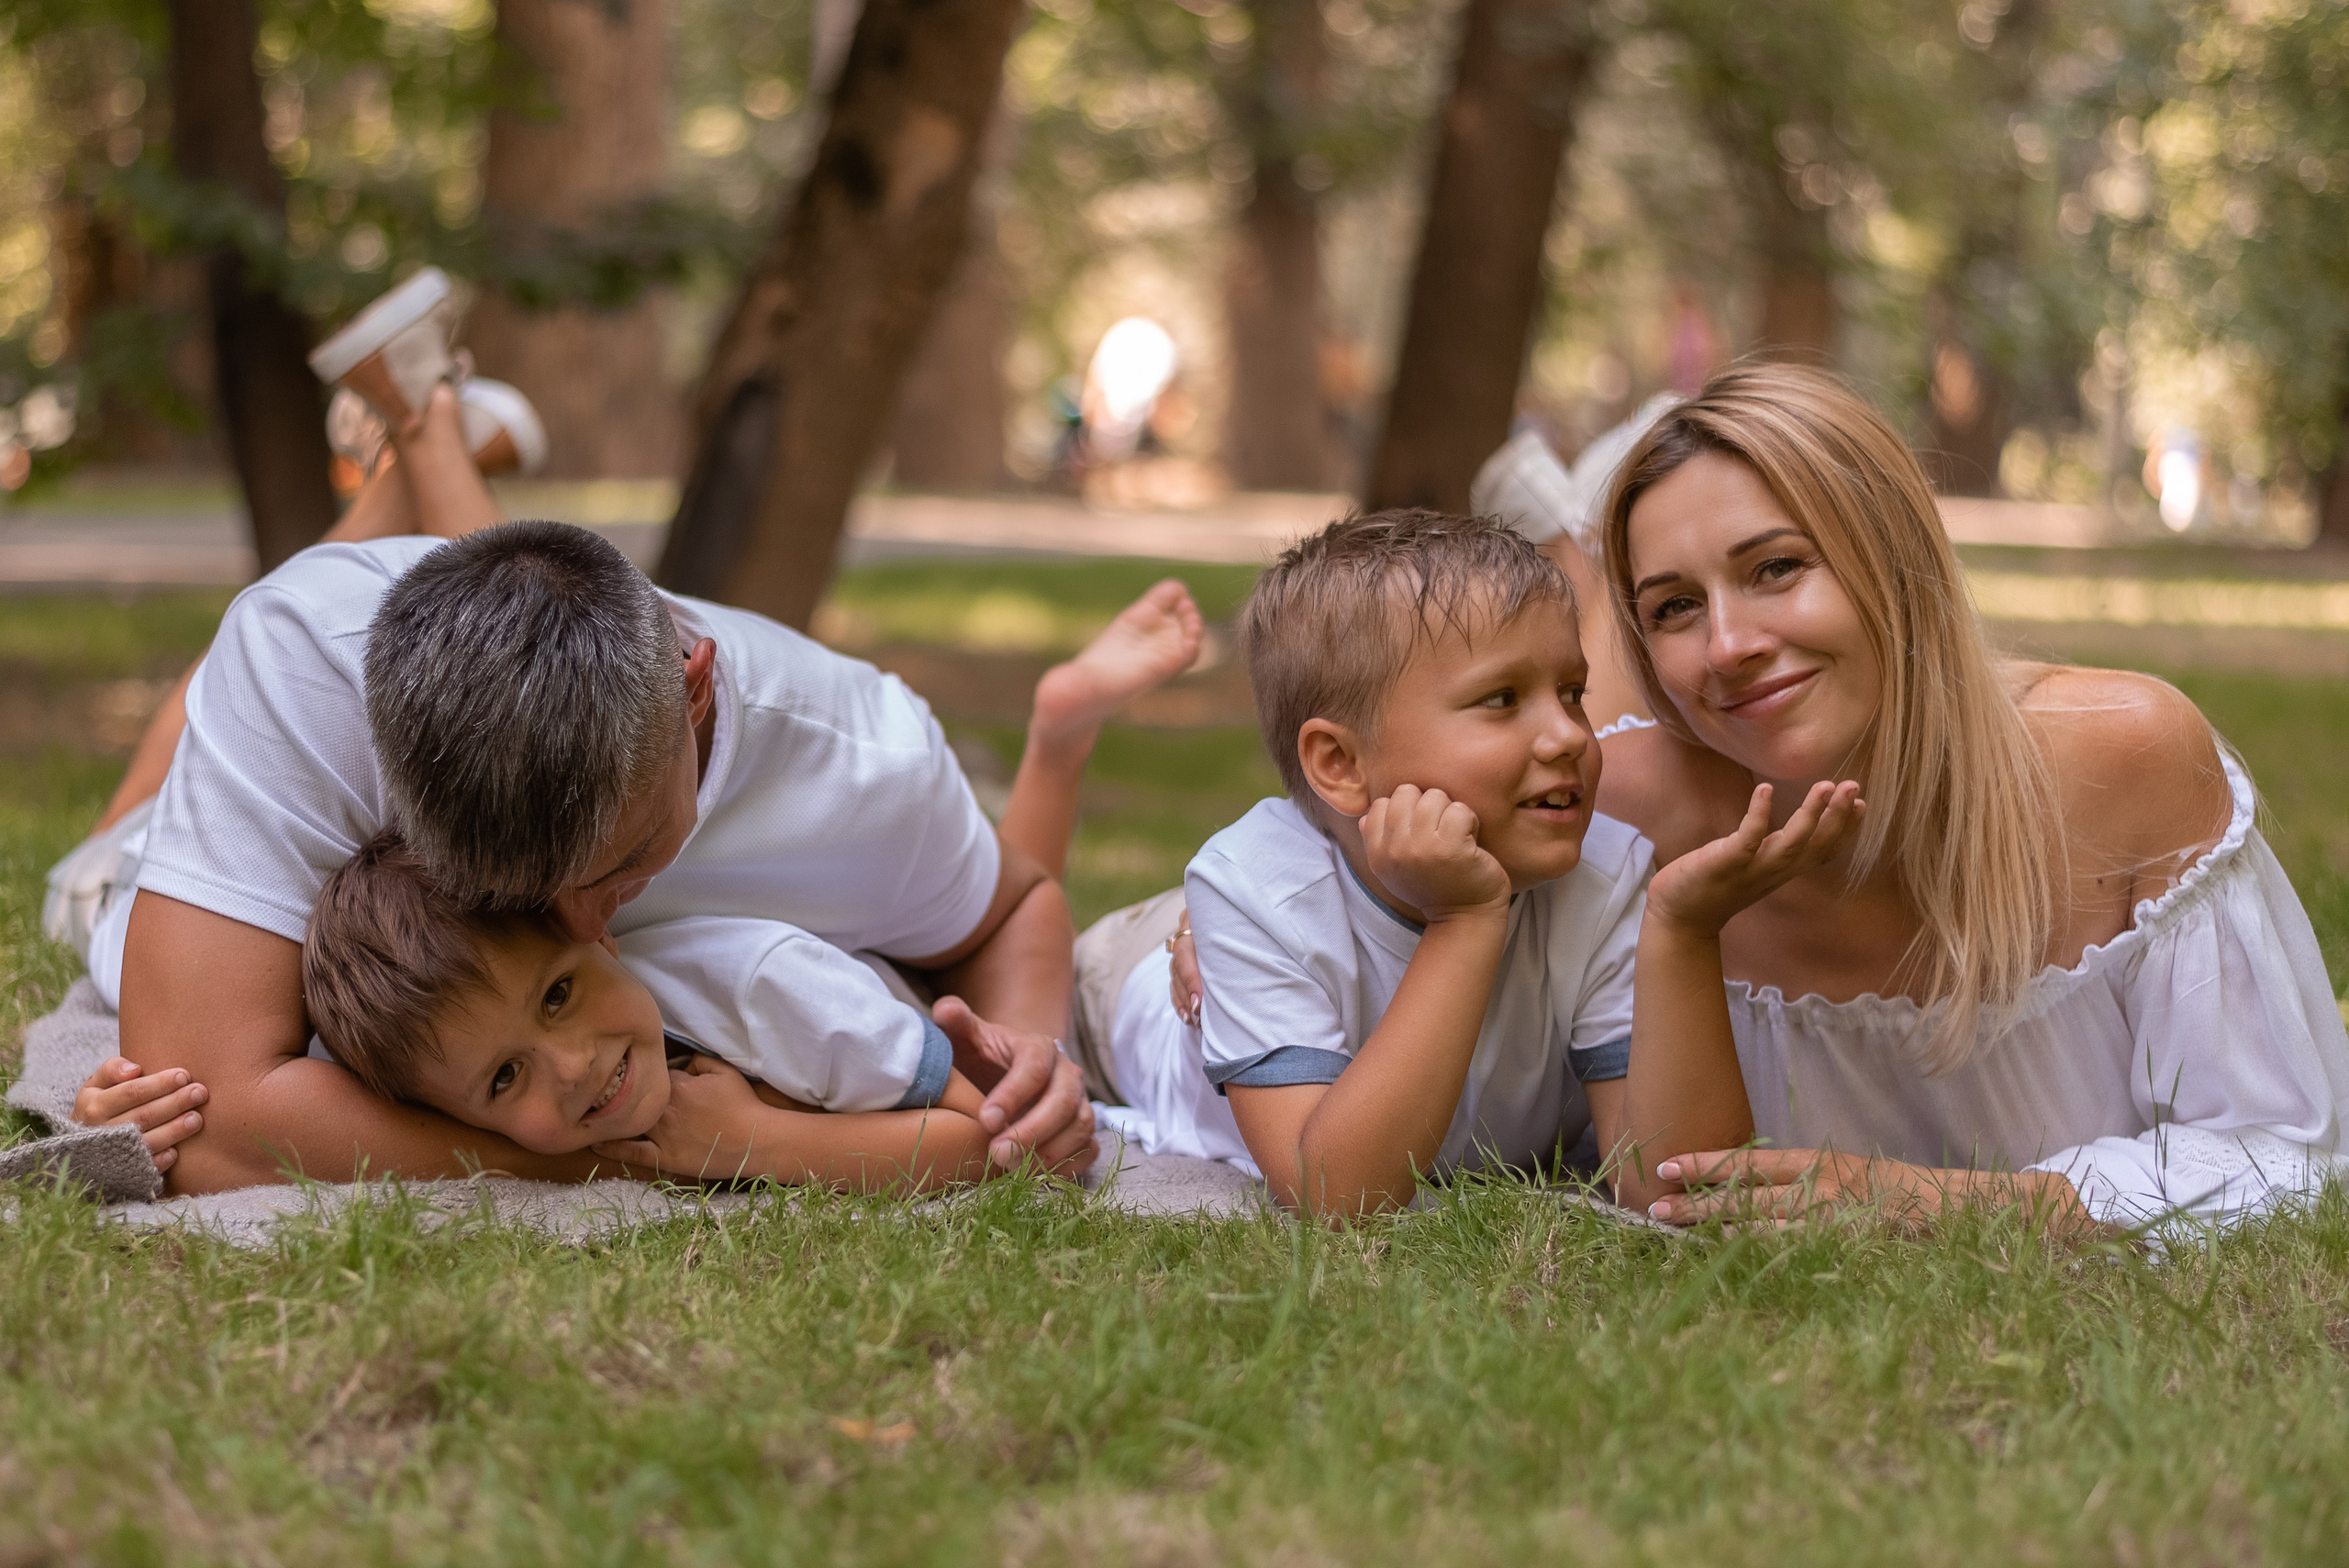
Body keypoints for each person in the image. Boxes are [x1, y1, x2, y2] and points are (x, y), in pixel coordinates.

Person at [51, 269, 1137, 1194]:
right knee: (109, 851)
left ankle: (422, 429)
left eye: (613, 863)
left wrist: (1032, 1050)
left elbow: (1018, 903)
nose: (576, 924)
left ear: (696, 691)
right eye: (503, 880)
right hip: (143, 868)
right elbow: (207, 1129)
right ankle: (419, 440)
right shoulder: (313, 655)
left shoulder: (872, 771)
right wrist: (624, 1156)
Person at [1097, 510, 1859, 1218]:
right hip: (1131, 986)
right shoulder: (1253, 889)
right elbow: (1333, 1194)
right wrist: (1462, 920)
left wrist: (1685, 928)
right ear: (1339, 762)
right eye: (1501, 698)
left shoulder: (1608, 874)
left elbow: (1678, 1181)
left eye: (1571, 693)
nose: (1565, 735)